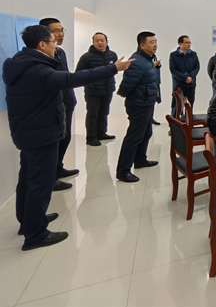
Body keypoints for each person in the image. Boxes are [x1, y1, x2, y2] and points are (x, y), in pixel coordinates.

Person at [2, 25, 133, 250]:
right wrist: (114, 68)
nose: (56, 45)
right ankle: (35, 234)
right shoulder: (38, 71)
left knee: (27, 178)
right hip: (41, 132)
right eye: (53, 41)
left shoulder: (20, 62)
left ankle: (28, 221)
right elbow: (76, 78)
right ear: (42, 45)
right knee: (40, 183)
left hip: (29, 131)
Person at [115, 31, 161, 183]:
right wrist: (123, 93)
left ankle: (140, 160)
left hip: (147, 103)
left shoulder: (148, 59)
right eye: (151, 42)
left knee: (146, 133)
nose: (155, 45)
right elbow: (127, 85)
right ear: (142, 45)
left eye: (155, 42)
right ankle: (123, 171)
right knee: (134, 137)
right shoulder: (136, 61)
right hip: (139, 104)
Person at [39, 18, 78, 192]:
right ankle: (51, 178)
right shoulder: (42, 57)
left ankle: (58, 168)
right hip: (54, 107)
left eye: (62, 30)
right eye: (56, 31)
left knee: (65, 137)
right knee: (54, 142)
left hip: (67, 103)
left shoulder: (59, 52)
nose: (61, 34)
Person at [75, 32, 119, 146]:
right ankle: (91, 137)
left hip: (108, 89)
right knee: (92, 115)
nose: (100, 43)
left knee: (104, 113)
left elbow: (115, 69)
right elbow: (79, 73)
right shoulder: (86, 57)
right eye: (97, 40)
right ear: (93, 42)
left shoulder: (112, 55)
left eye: (102, 40)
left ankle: (101, 133)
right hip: (93, 91)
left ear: (106, 42)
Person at [169, 35, 200, 116]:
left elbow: (197, 67)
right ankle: (174, 122)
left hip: (191, 84)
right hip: (179, 85)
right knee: (176, 107)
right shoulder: (173, 55)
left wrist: (191, 76)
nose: (189, 44)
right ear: (180, 44)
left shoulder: (193, 54)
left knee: (189, 107)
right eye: (186, 43)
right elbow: (173, 70)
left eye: (189, 42)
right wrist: (185, 78)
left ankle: (188, 122)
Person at [151, 54, 162, 125]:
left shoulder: (153, 56)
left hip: (155, 81)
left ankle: (151, 118)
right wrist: (152, 65)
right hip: (149, 82)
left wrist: (158, 65)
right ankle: (148, 119)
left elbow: (155, 68)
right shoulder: (142, 57)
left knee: (153, 100)